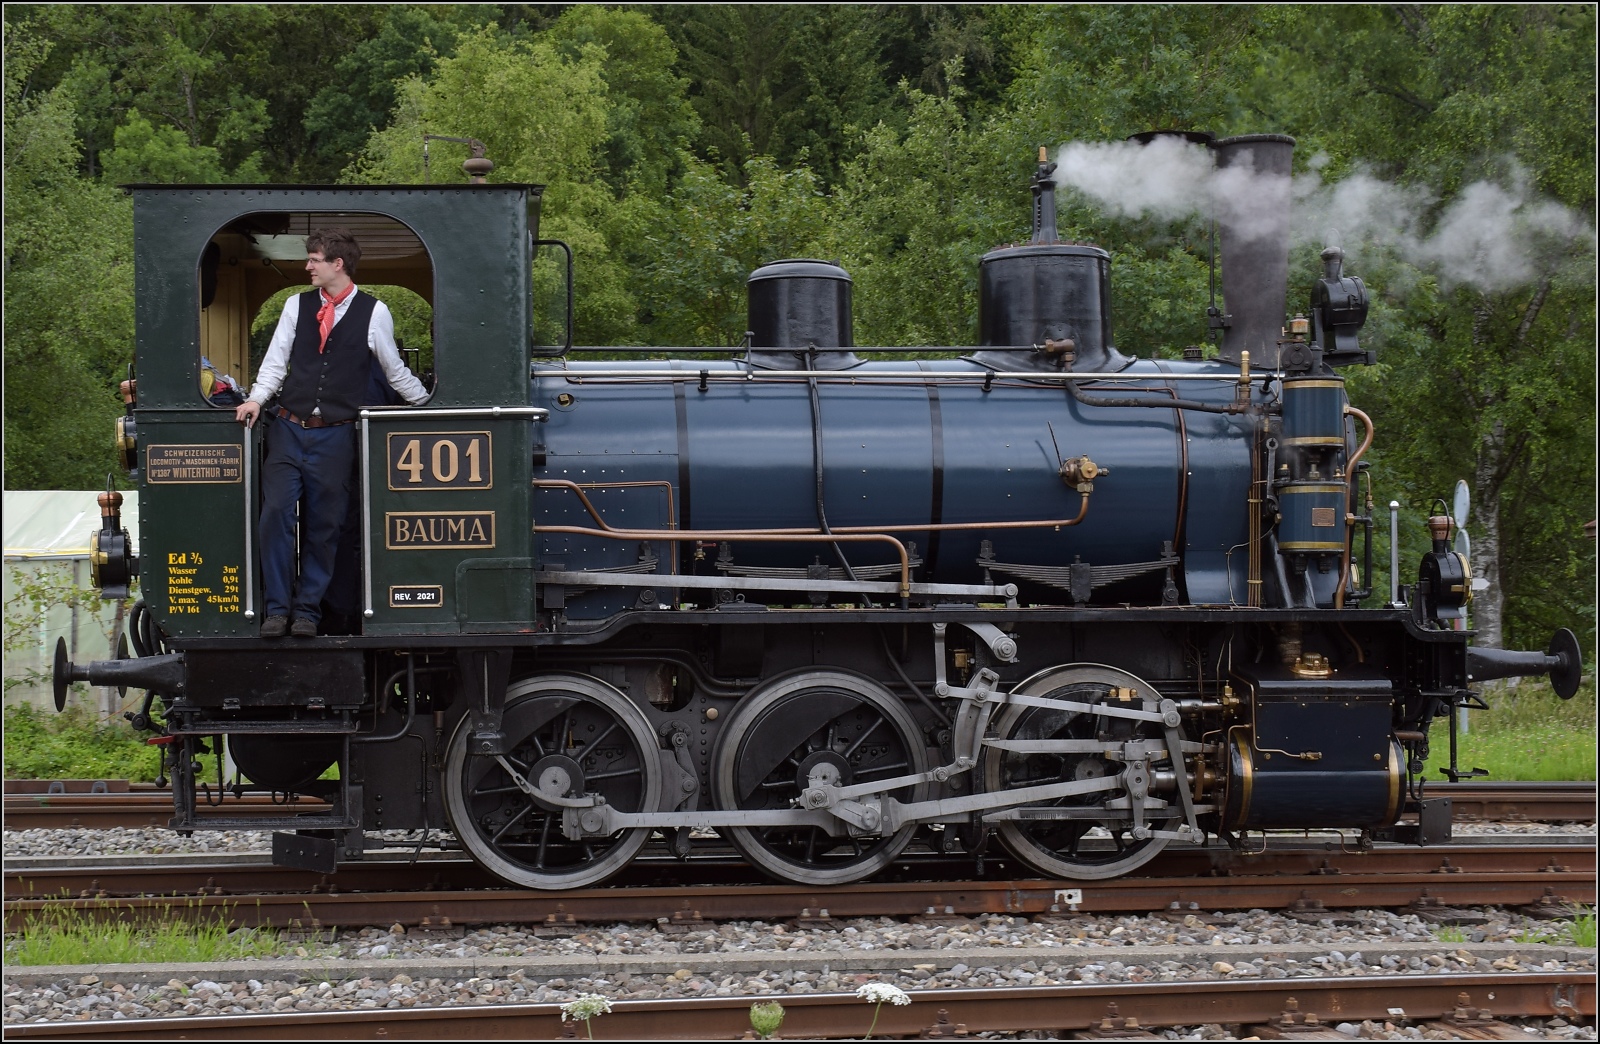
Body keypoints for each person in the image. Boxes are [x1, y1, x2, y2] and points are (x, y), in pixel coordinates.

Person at [236, 228, 429, 637]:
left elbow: (395, 371)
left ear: (337, 264)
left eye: (314, 259)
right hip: (288, 427)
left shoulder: (375, 312)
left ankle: (307, 612)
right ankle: (276, 609)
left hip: (337, 436)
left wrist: (428, 406)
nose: (307, 266)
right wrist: (256, 399)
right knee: (275, 515)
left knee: (326, 527)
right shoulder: (296, 305)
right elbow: (275, 362)